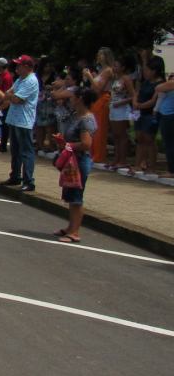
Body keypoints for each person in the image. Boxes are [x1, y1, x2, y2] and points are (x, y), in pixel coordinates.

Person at [51, 87, 99, 244]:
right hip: (72, 160)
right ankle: (70, 227)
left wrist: (68, 145)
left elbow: (86, 144)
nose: (70, 99)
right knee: (70, 195)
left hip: (79, 161)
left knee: (76, 197)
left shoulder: (86, 119)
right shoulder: (75, 116)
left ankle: (75, 232)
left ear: (80, 99)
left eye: (72, 97)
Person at [0, 55, 39, 191]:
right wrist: (15, 97)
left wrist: (16, 97)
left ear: (27, 67)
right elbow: (7, 95)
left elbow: (15, 98)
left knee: (26, 152)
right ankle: (15, 175)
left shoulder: (31, 80)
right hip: (14, 119)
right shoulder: (20, 80)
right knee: (15, 151)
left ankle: (29, 181)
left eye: (19, 65)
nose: (17, 67)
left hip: (24, 120)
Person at [132, 56, 165, 175]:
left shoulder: (161, 84)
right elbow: (137, 93)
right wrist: (135, 103)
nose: (145, 73)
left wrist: (141, 105)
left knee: (149, 141)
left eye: (147, 70)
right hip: (139, 114)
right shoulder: (145, 83)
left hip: (150, 114)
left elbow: (154, 100)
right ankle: (137, 164)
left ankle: (151, 166)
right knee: (140, 139)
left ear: (154, 71)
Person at [85, 47, 115, 163]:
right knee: (93, 127)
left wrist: (90, 77)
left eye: (99, 55)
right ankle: (92, 152)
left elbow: (99, 87)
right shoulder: (101, 70)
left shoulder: (108, 71)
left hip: (103, 98)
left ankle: (99, 155)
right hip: (96, 98)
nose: (97, 57)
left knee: (100, 128)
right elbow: (94, 87)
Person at [106, 55, 137, 170]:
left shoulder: (126, 79)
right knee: (115, 135)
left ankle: (122, 160)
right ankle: (116, 158)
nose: (113, 68)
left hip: (121, 107)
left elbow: (133, 95)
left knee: (121, 134)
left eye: (116, 66)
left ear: (123, 67)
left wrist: (121, 103)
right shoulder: (115, 78)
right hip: (113, 106)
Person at [34, 57, 58, 153]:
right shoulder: (37, 76)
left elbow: (60, 85)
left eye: (49, 66)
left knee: (50, 123)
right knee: (39, 123)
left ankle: (51, 145)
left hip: (50, 101)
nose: (48, 68)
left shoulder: (54, 75)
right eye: (46, 66)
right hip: (39, 101)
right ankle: (40, 144)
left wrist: (52, 87)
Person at [154, 75, 174, 179]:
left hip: (169, 115)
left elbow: (158, 88)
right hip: (168, 114)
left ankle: (172, 170)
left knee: (169, 143)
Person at [0, 58, 14, 153]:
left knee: (4, 126)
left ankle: (3, 146)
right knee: (1, 125)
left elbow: (7, 92)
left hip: (4, 103)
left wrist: (2, 105)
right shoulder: (1, 75)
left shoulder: (7, 77)